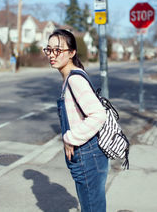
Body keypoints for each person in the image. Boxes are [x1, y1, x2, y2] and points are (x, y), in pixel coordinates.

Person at [43, 29, 108, 212]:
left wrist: (70, 137)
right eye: (49, 49)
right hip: (85, 156)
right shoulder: (70, 78)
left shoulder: (74, 80)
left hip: (88, 156)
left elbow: (98, 114)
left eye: (58, 50)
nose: (52, 55)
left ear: (71, 53)